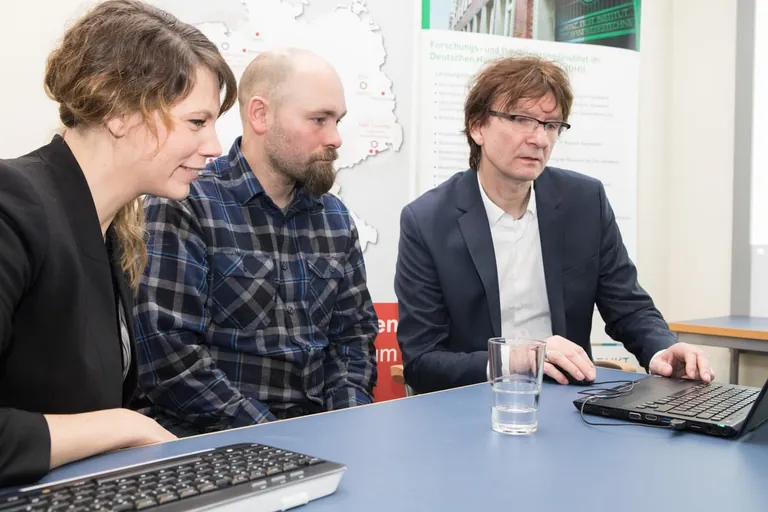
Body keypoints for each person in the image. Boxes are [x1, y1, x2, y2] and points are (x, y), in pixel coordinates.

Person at [0, 0, 237, 486]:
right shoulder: (12, 206)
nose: (215, 146)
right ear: (120, 112)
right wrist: (124, 426)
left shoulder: (112, 230)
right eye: (197, 122)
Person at [394, 56, 713, 394]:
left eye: (550, 125)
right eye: (521, 119)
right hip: (473, 402)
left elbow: (628, 306)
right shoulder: (427, 221)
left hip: (569, 400)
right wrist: (519, 359)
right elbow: (422, 362)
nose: (540, 139)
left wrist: (662, 349)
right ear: (477, 127)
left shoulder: (584, 201)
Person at [134, 48, 378, 437]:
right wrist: (272, 436)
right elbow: (169, 359)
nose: (335, 138)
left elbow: (353, 340)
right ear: (260, 115)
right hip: (216, 441)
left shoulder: (334, 218)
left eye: (338, 121)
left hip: (322, 436)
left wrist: (346, 424)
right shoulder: (186, 204)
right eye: (319, 120)